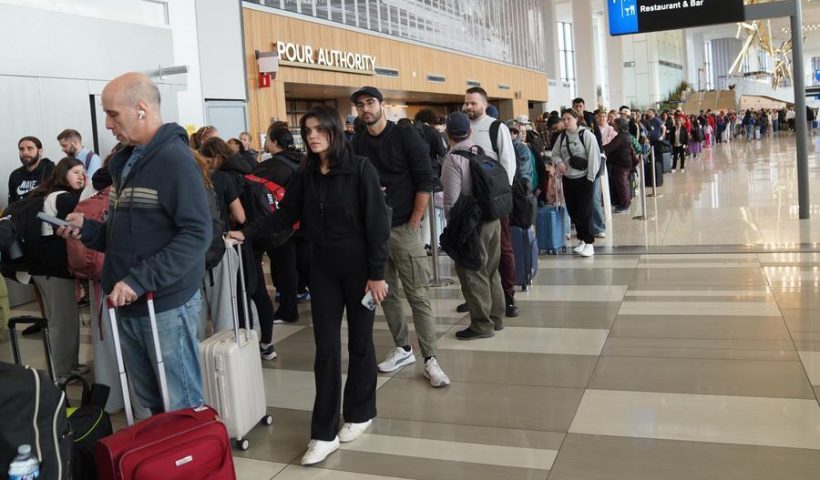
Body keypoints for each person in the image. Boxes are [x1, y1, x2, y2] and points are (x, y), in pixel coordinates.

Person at [227, 105, 390, 466]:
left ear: (334, 131)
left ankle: (361, 412)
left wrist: (377, 274)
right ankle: (323, 433)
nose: (313, 136)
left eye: (319, 129)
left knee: (360, 344)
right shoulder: (306, 172)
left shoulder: (360, 168)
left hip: (360, 269)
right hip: (323, 269)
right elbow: (286, 215)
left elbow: (377, 224)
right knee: (326, 350)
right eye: (308, 131)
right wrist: (246, 232)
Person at [60, 72, 211, 413]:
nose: (107, 124)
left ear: (141, 108)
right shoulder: (127, 162)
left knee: (180, 405)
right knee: (153, 404)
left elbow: (196, 234)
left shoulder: (174, 160)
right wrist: (88, 229)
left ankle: (188, 451)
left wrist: (139, 280)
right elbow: (126, 235)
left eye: (112, 114)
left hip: (163, 303)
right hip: (130, 300)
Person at [349, 86, 450, 388]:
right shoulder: (357, 142)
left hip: (403, 227)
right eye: (360, 105)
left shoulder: (405, 136)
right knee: (386, 293)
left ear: (382, 105)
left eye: (370, 103)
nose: (365, 109)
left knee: (417, 294)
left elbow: (425, 180)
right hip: (372, 232)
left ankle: (430, 358)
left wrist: (414, 223)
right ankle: (403, 348)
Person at [200, 136, 278, 360]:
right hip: (253, 237)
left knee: (239, 294)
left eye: (207, 160)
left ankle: (243, 347)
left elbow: (240, 216)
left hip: (234, 241)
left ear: (216, 157)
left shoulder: (220, 178)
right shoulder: (246, 166)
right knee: (257, 290)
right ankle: (266, 344)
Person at [441, 112, 505, 339]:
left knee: (472, 273)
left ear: (448, 134)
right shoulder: (482, 152)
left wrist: (453, 230)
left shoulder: (453, 159)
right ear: (469, 131)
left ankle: (481, 326)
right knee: (491, 271)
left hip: (471, 226)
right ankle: (497, 319)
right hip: (493, 220)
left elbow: (451, 201)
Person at [462, 87, 519, 317]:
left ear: (484, 104)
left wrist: (501, 195)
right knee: (473, 247)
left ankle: (508, 295)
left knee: (501, 247)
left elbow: (508, 162)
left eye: (473, 103)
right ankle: (478, 296)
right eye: (466, 103)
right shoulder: (463, 127)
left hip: (494, 198)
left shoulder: (496, 127)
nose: (468, 107)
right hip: (469, 200)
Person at [29, 157, 86, 381]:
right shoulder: (64, 197)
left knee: (65, 317)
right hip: (53, 267)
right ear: (63, 175)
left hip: (45, 267)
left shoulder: (52, 195)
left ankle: (71, 365)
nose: (81, 177)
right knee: (62, 320)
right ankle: (61, 373)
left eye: (83, 172)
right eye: (75, 172)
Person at [252, 123, 308, 324]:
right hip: (305, 222)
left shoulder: (271, 166)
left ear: (274, 142)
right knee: (302, 265)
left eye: (268, 139)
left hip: (284, 223)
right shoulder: (303, 160)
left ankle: (288, 310)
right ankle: (302, 295)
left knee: (285, 267)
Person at [551, 109, 601, 257]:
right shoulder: (561, 137)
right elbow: (555, 154)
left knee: (585, 211)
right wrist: (559, 162)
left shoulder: (586, 135)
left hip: (584, 178)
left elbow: (594, 157)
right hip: (568, 179)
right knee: (573, 211)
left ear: (576, 119)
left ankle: (589, 243)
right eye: (563, 119)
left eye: (569, 119)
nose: (565, 122)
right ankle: (582, 240)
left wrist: (590, 178)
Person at [9, 136, 55, 205]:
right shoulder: (15, 175)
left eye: (29, 148)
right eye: (22, 149)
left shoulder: (52, 171)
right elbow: (12, 204)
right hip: (21, 211)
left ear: (40, 151)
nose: (25, 152)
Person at [604, 118, 635, 212]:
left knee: (622, 184)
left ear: (619, 125)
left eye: (615, 124)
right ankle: (625, 202)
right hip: (624, 163)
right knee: (624, 183)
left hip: (621, 163)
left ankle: (625, 204)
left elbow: (609, 148)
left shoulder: (621, 137)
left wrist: (600, 147)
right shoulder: (625, 135)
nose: (613, 126)